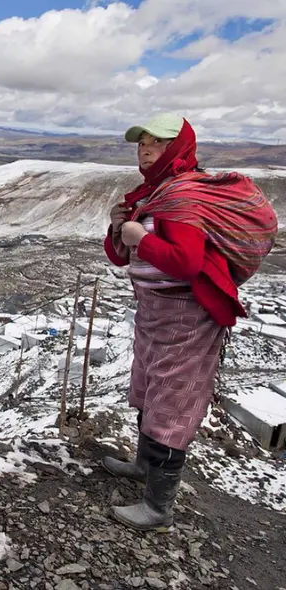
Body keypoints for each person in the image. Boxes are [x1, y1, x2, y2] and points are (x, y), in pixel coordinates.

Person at [102, 113, 277, 531]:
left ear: (178, 147)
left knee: (172, 401)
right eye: (141, 141)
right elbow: (121, 256)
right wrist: (118, 232)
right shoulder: (153, 193)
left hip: (186, 314)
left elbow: (186, 262)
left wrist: (140, 238)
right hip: (155, 312)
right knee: (149, 386)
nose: (145, 149)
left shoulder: (182, 196)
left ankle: (158, 507)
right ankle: (143, 467)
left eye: (157, 142)